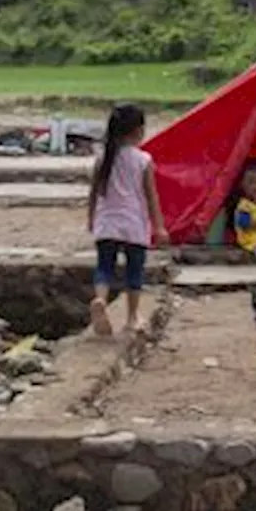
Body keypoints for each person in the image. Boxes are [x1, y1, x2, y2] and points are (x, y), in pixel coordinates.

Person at [86, 103, 167, 337]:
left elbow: (94, 193)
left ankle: (100, 299)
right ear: (138, 131)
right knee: (134, 271)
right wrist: (159, 227)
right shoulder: (143, 160)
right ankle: (132, 317)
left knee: (104, 267)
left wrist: (92, 219)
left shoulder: (103, 158)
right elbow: (151, 197)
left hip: (107, 222)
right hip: (134, 223)